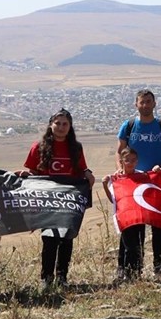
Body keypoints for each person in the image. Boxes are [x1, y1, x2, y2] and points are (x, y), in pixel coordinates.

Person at [18, 108, 94, 289]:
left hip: (68, 200)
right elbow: (33, 172)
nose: (61, 127)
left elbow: (81, 169)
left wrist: (87, 173)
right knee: (49, 239)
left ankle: (62, 277)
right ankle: (46, 278)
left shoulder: (76, 148)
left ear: (70, 126)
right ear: (50, 125)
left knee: (67, 238)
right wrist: (25, 175)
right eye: (57, 123)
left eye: (65, 124)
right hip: (47, 200)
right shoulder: (38, 147)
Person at [116, 89, 161, 279]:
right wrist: (121, 171)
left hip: (157, 182)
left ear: (154, 103)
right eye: (142, 102)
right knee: (131, 224)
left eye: (149, 101)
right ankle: (127, 266)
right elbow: (120, 152)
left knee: (159, 225)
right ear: (136, 104)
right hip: (133, 182)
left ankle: (158, 263)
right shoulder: (129, 126)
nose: (145, 105)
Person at [102, 145, 146, 283]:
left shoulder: (142, 175)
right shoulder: (116, 178)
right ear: (121, 161)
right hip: (124, 216)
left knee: (138, 242)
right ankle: (127, 271)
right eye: (127, 160)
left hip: (139, 216)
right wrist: (105, 186)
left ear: (137, 161)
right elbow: (113, 200)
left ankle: (136, 271)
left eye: (133, 160)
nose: (130, 163)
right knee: (129, 245)